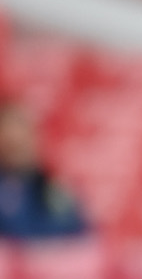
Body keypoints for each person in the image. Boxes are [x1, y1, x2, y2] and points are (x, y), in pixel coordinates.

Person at [0, 100, 87, 240]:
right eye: (11, 144)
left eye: (24, 138)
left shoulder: (54, 186)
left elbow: (79, 234)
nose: (19, 146)